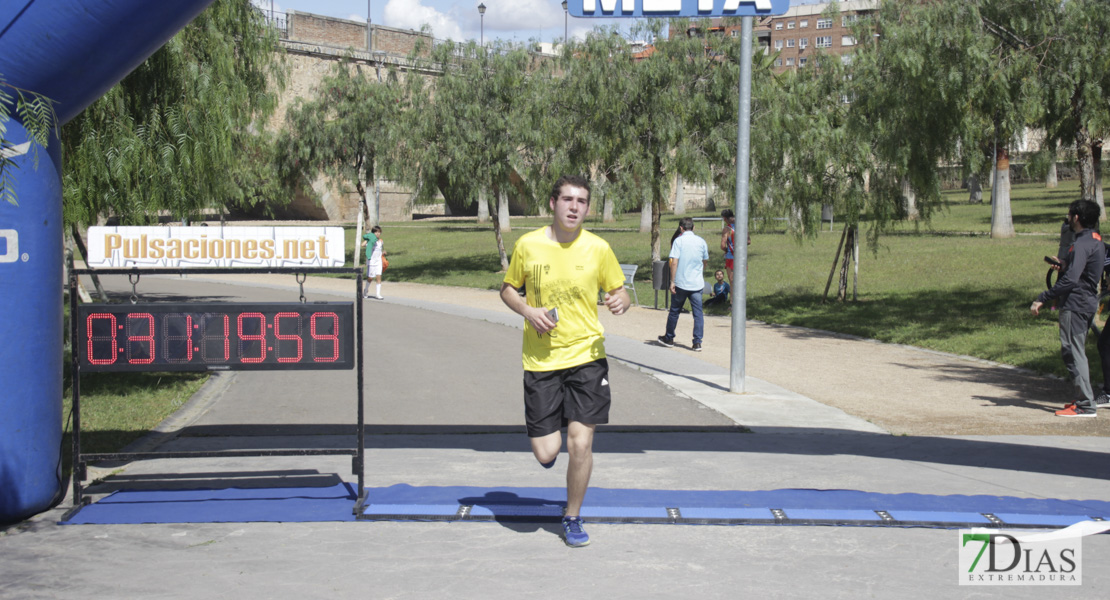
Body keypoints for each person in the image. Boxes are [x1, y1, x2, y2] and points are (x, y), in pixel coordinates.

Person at [500, 174, 630, 548]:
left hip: (587, 356)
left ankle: (572, 516)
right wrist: (527, 310)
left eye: (582, 202)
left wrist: (622, 300)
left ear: (587, 208)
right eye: (568, 200)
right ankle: (552, 431)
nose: (575, 207)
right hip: (541, 360)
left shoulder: (599, 248)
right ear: (553, 203)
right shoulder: (528, 245)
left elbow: (618, 290)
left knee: (580, 445)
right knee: (547, 452)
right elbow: (508, 289)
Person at [1031, 199, 1104, 418]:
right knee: (1074, 351)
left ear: (1077, 218)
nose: (1068, 217)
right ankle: (1084, 399)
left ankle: (1085, 404)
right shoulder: (1094, 240)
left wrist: (1044, 297)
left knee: (1073, 352)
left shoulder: (1081, 243)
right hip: (1086, 302)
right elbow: (1082, 271)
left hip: (1076, 303)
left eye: (1070, 214)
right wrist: (1064, 265)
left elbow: (1072, 280)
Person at [657, 217, 709, 351]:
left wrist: (672, 281)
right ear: (693, 227)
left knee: (674, 311)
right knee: (698, 314)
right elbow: (705, 261)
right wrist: (699, 272)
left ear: (681, 228)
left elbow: (674, 262)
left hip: (681, 282)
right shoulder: (701, 241)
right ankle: (697, 342)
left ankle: (669, 337)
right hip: (696, 284)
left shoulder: (678, 241)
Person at [361, 225, 384, 299]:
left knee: (378, 276)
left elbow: (379, 250)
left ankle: (378, 294)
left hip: (378, 262)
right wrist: (368, 239)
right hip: (371, 262)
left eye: (379, 232)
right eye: (376, 232)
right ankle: (365, 290)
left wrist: (383, 253)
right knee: (370, 278)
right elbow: (362, 245)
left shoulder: (381, 241)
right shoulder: (370, 240)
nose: (377, 234)